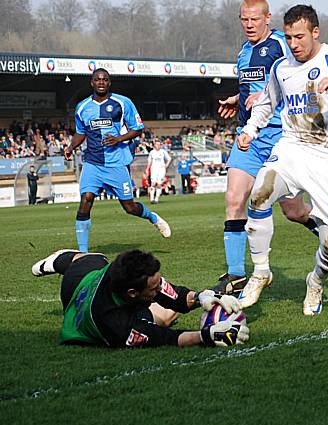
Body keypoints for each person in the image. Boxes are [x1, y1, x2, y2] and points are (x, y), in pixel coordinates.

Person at [236, 4, 328, 315]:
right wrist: (251, 130)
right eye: (289, 37)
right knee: (259, 196)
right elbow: (267, 103)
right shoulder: (281, 68)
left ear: (315, 32)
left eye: (299, 37)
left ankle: (315, 281)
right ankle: (261, 272)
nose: (293, 44)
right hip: (293, 148)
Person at [214, 0, 326, 295]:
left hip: (281, 135)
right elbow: (251, 87)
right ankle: (236, 274)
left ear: (267, 18)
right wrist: (237, 100)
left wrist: (264, 96)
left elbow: (294, 77)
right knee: (234, 197)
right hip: (250, 136)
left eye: (254, 19)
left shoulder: (282, 44)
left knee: (293, 211)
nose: (249, 24)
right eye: (244, 19)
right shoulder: (243, 53)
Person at [31, 249, 249, 348]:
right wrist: (206, 336)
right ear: (133, 294)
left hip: (93, 271)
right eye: (153, 288)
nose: (159, 288)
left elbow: (172, 294)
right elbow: (164, 337)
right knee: (162, 319)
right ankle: (60, 259)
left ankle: (64, 258)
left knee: (92, 258)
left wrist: (201, 297)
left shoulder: (122, 269)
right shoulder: (115, 325)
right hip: (75, 287)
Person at [63, 69, 171, 253]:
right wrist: (71, 147)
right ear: (92, 83)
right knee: (86, 199)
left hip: (116, 163)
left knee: (129, 207)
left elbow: (137, 129)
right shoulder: (82, 107)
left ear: (109, 82)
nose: (101, 82)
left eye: (105, 79)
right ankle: (83, 252)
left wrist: (119, 139)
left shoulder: (123, 102)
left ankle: (152, 217)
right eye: (97, 79)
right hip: (93, 163)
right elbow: (81, 132)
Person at [147, 140, 172, 204]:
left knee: (159, 184)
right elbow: (149, 161)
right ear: (154, 145)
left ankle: (156, 199)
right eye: (156, 144)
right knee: (153, 183)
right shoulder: (152, 152)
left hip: (161, 170)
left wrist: (166, 165)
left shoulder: (163, 152)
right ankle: (152, 198)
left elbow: (169, 159)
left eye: (159, 144)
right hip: (154, 169)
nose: (158, 146)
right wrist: (147, 169)